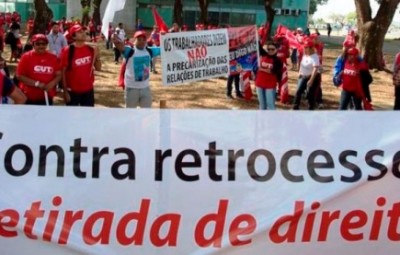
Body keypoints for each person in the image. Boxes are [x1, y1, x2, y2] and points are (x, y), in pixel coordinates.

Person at [60, 24, 101, 106]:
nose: (83, 33)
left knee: (88, 116)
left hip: (88, 90)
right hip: (72, 90)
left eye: (83, 31)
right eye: (79, 32)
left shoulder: (90, 49)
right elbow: (62, 72)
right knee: (71, 116)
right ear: (73, 36)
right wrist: (65, 91)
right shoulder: (67, 51)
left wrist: (97, 57)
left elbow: (98, 68)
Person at [16, 34, 61, 105]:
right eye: (38, 44)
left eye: (43, 43)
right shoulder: (26, 57)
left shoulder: (53, 57)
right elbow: (19, 76)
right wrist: (37, 84)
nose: (41, 46)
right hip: (29, 96)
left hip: (47, 96)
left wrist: (52, 83)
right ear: (33, 44)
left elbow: (59, 74)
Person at [113, 30, 154, 108]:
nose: (142, 41)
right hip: (131, 88)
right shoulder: (130, 51)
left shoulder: (149, 51)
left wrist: (165, 37)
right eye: (139, 39)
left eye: (144, 39)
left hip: (145, 88)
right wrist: (114, 39)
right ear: (135, 40)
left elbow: (163, 49)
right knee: (131, 114)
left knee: (147, 113)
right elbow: (119, 45)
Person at [292, 39, 320, 110]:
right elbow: (302, 64)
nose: (305, 49)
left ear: (311, 48)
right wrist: (299, 72)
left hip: (312, 77)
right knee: (298, 91)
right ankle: (295, 107)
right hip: (303, 76)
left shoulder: (315, 56)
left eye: (307, 47)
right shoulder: (305, 55)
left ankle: (311, 108)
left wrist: (311, 80)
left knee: (310, 94)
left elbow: (315, 69)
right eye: (304, 47)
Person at [255, 41, 283, 110]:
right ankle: (262, 119)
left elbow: (272, 71)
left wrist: (261, 69)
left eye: (272, 49)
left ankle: (272, 119)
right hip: (259, 83)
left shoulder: (278, 60)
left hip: (270, 85)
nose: (270, 51)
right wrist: (256, 34)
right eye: (269, 49)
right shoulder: (264, 55)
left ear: (276, 49)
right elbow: (258, 46)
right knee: (262, 104)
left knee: (270, 104)